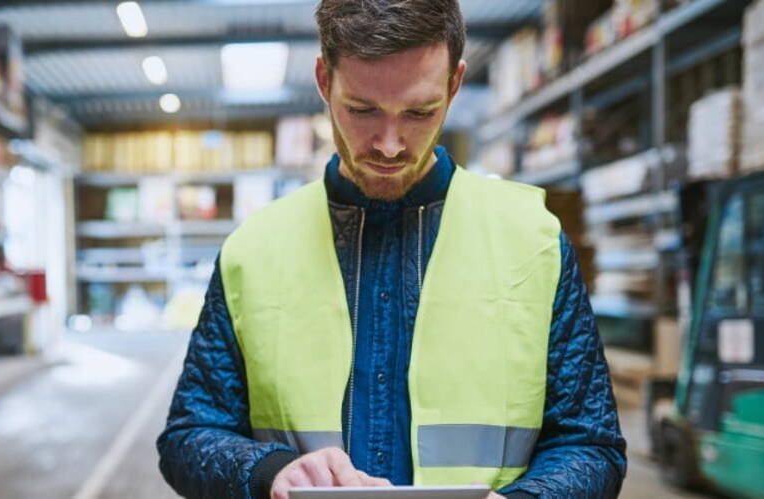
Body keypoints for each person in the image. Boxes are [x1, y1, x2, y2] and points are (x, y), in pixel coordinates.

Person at [157, 1, 627, 498]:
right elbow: (189, 437)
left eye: (419, 113)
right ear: (324, 80)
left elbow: (591, 445)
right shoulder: (251, 252)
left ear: (454, 84)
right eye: (361, 110)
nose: (388, 145)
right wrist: (269, 470)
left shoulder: (534, 242)